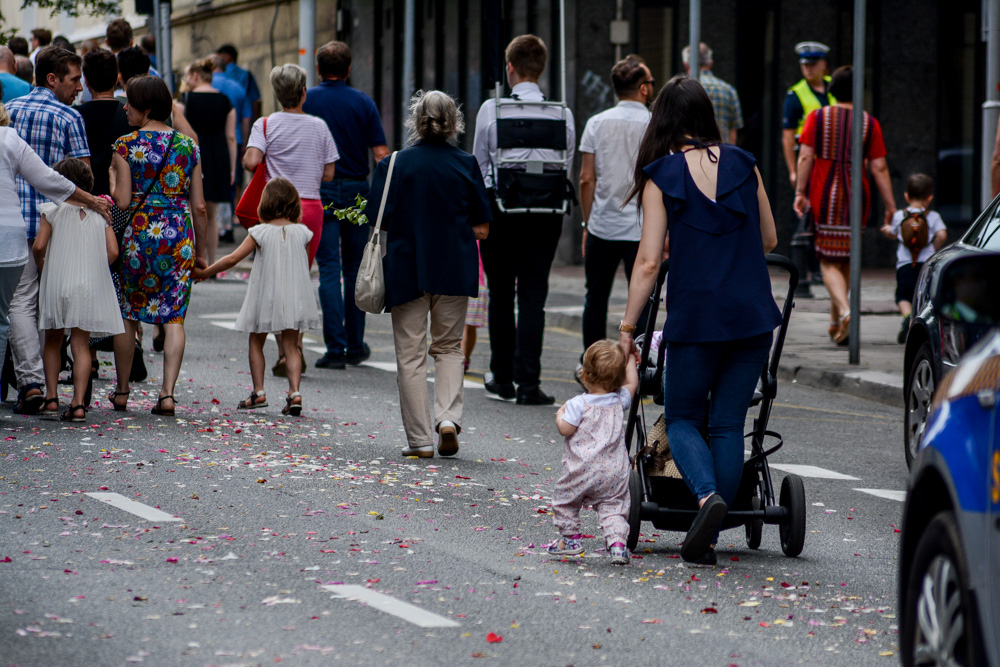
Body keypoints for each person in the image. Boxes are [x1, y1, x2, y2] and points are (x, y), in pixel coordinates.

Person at [619, 75, 782, 565]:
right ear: (707, 116)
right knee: (730, 422)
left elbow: (648, 263)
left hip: (697, 315)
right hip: (752, 314)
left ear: (664, 120)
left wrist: (627, 329)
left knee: (685, 415)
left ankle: (706, 496)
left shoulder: (661, 176)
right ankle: (710, 533)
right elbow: (770, 240)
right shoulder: (744, 163)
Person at [365, 90, 491, 458]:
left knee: (411, 354)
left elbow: (378, 221)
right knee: (449, 347)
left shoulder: (394, 164)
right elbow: (482, 229)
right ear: (454, 122)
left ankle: (419, 441)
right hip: (453, 268)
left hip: (406, 269)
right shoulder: (466, 164)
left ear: (416, 121)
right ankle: (448, 419)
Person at [473, 34, 575, 406]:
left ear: (510, 67)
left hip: (502, 213)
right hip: (546, 216)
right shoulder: (562, 112)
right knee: (534, 297)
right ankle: (529, 383)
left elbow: (480, 167)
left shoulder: (493, 109)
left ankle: (501, 377)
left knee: (501, 294)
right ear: (542, 68)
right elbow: (565, 164)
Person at [0, 100, 110, 412]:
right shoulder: (9, 138)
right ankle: (38, 386)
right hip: (10, 237)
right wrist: (92, 200)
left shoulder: (50, 213)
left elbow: (40, 245)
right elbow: (49, 179)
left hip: (30, 253)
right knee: (14, 311)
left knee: (42, 330)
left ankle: (43, 390)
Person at [108, 75, 209, 416]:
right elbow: (199, 206)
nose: (125, 107)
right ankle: (166, 394)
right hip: (178, 238)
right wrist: (202, 252)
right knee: (174, 317)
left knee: (129, 314)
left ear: (146, 108)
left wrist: (111, 177)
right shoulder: (188, 147)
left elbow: (121, 202)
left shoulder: (124, 145)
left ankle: (122, 392)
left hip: (139, 238)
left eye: (130, 103)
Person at [6, 46, 90, 415]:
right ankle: (46, 382)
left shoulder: (13, 113)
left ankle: (32, 382)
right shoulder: (70, 117)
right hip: (57, 224)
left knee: (20, 304)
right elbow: (81, 176)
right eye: (74, 79)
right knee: (51, 303)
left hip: (16, 221)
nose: (79, 86)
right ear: (52, 78)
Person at [193, 178, 319, 415]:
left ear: (265, 204)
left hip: (265, 296)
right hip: (294, 296)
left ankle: (258, 392)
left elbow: (232, 258)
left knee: (256, 342)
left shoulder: (259, 232)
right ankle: (295, 393)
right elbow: (305, 264)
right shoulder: (303, 232)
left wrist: (206, 271)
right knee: (291, 346)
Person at [244, 63, 338, 376]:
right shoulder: (320, 126)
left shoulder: (266, 124)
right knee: (298, 281)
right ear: (303, 93)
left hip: (274, 212)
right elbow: (329, 172)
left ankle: (284, 350)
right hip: (309, 210)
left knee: (272, 281)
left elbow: (251, 161)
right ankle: (291, 350)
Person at [794, 65, 896, 346]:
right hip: (856, 195)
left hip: (825, 192)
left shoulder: (818, 117)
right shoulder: (868, 123)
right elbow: (879, 167)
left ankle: (847, 312)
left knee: (827, 259)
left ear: (832, 90)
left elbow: (805, 157)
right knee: (847, 257)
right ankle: (835, 322)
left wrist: (799, 192)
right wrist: (890, 205)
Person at [303, 40, 389, 370]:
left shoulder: (307, 100)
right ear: (349, 69)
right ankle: (355, 345)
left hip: (320, 190)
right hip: (356, 192)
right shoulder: (363, 102)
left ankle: (334, 348)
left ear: (319, 68)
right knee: (355, 268)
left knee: (328, 268)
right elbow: (381, 155)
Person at [34, 158, 123, 422]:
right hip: (86, 285)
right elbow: (113, 252)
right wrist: (93, 267)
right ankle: (78, 404)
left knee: (52, 340)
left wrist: (43, 265)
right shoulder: (101, 215)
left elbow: (39, 246)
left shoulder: (52, 210)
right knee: (80, 344)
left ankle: (51, 398)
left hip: (58, 281)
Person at [579, 55, 652, 356]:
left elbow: (586, 178)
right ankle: (643, 364)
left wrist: (587, 222)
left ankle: (593, 364)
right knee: (645, 299)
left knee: (595, 298)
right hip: (643, 229)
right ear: (644, 89)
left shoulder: (596, 123)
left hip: (603, 226)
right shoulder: (654, 124)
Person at [550, 339, 639, 565]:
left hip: (581, 470)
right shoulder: (619, 400)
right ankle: (618, 545)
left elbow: (565, 429)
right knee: (613, 508)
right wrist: (629, 359)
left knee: (565, 501)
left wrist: (560, 414)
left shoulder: (577, 403)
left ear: (586, 375)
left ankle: (570, 539)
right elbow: (633, 384)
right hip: (614, 471)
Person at [178, 58, 236, 265]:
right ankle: (210, 262)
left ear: (194, 76)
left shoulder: (186, 100)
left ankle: (191, 258)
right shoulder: (225, 101)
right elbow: (231, 137)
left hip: (194, 155)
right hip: (218, 156)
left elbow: (179, 131)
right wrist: (232, 168)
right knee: (210, 214)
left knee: (193, 210)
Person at [880, 174, 947, 344]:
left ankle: (907, 317)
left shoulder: (899, 216)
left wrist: (886, 229)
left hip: (905, 265)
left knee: (903, 295)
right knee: (925, 295)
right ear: (929, 198)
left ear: (906, 196)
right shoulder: (933, 216)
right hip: (926, 264)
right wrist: (934, 248)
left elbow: (893, 233)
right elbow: (942, 234)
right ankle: (919, 323)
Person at [782, 41, 835, 190]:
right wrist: (793, 171)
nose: (808, 69)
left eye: (812, 64)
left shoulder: (836, 85)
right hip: (809, 162)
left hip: (834, 159)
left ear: (823, 64)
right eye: (805, 65)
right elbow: (788, 136)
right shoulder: (795, 94)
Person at [682, 43, 742, 145]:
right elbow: (733, 134)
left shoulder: (682, 90)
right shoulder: (729, 90)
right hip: (722, 155)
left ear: (686, 65)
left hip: (692, 156)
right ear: (710, 63)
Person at [216, 44, 261, 120]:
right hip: (245, 119)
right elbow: (255, 101)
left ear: (227, 56)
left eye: (218, 58)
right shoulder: (247, 75)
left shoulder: (217, 76)